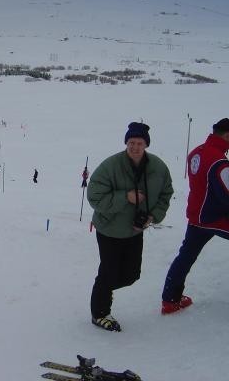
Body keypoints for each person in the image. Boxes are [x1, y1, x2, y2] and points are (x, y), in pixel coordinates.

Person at [87, 122, 173, 331]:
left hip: (135, 230)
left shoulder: (158, 167)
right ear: (126, 143)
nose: (135, 147)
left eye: (140, 143)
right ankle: (99, 313)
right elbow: (94, 196)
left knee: (131, 275)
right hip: (109, 229)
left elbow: (166, 194)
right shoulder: (111, 166)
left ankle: (104, 288)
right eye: (131, 142)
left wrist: (153, 216)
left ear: (146, 145)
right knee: (108, 272)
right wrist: (125, 196)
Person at [161, 118, 229, 314]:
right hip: (214, 218)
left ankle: (170, 299)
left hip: (196, 216)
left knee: (186, 256)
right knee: (186, 255)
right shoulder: (220, 161)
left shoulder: (196, 152)